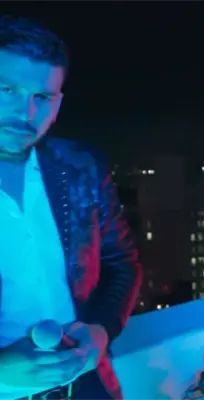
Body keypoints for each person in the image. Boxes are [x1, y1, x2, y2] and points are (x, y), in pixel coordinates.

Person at [0, 15, 142, 400]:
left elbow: (121, 263)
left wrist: (102, 329)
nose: (26, 113)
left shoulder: (81, 167)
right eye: (7, 89)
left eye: (42, 97)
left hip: (87, 383)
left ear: (58, 102)